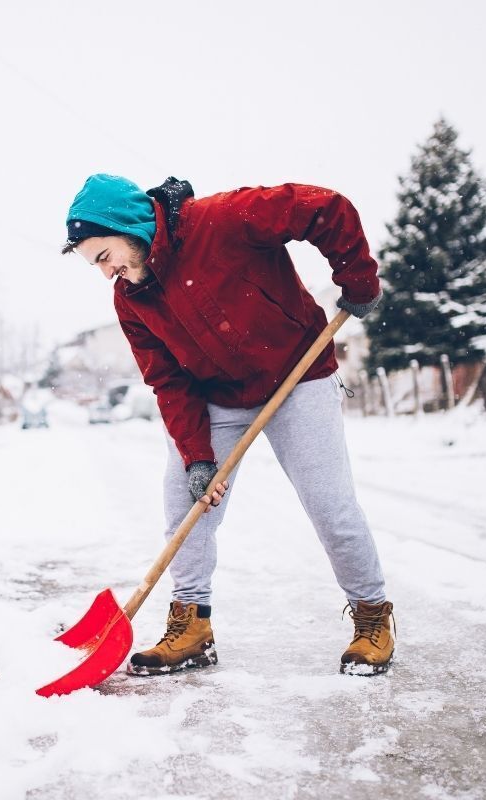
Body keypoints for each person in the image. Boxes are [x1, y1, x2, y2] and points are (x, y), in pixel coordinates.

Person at [62, 174, 394, 677]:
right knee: (185, 505)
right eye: (97, 265)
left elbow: (325, 208)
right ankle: (192, 626)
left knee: (329, 503)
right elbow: (167, 380)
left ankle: (373, 617)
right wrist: (197, 455)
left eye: (104, 255)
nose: (107, 272)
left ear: (128, 226)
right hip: (217, 396)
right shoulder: (132, 299)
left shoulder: (223, 220)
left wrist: (359, 279)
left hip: (299, 373)